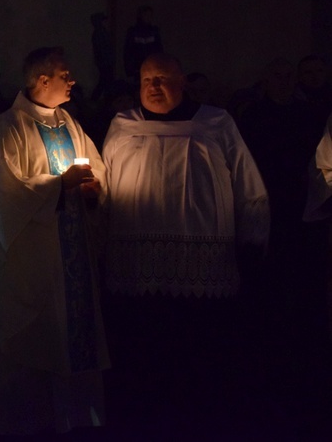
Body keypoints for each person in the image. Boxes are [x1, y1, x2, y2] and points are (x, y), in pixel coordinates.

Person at [102, 52, 269, 437]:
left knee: (197, 351)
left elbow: (247, 182)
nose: (154, 87)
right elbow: (104, 182)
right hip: (136, 263)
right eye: (147, 81)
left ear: (182, 83)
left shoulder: (215, 122)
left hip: (203, 261)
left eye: (162, 79)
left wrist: (253, 237)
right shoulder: (123, 125)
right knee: (143, 349)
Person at [0, 46, 109, 435]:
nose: (72, 81)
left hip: (72, 253)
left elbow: (97, 167)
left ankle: (77, 423)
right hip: (33, 256)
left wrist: (91, 189)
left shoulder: (70, 122)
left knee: (72, 339)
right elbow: (4, 189)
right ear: (42, 80)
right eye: (65, 75)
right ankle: (29, 426)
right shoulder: (9, 126)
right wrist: (58, 185)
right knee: (33, 342)